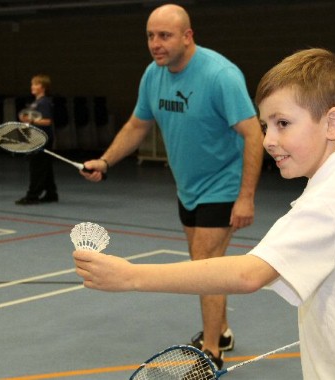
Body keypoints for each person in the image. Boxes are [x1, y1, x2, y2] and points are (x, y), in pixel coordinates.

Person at [74, 48, 335, 378]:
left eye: (283, 123)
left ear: (332, 123)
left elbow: (249, 274)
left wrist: (131, 276)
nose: (268, 141)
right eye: (265, 126)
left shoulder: (328, 202)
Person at [80, 4, 263, 367]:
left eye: (164, 36)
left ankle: (211, 352)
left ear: (187, 36)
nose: (155, 44)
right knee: (203, 264)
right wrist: (105, 160)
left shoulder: (220, 75)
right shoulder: (154, 75)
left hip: (222, 187)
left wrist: (245, 197)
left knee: (205, 268)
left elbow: (254, 134)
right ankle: (221, 330)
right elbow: (137, 125)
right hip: (188, 188)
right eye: (150, 35)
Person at [15, 74, 57, 205]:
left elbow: (47, 121)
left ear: (43, 87)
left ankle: (32, 195)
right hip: (35, 137)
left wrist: (31, 120)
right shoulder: (35, 102)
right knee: (46, 167)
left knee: (37, 167)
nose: (32, 87)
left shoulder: (44, 102)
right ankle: (51, 193)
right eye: (32, 84)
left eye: (35, 84)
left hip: (42, 139)